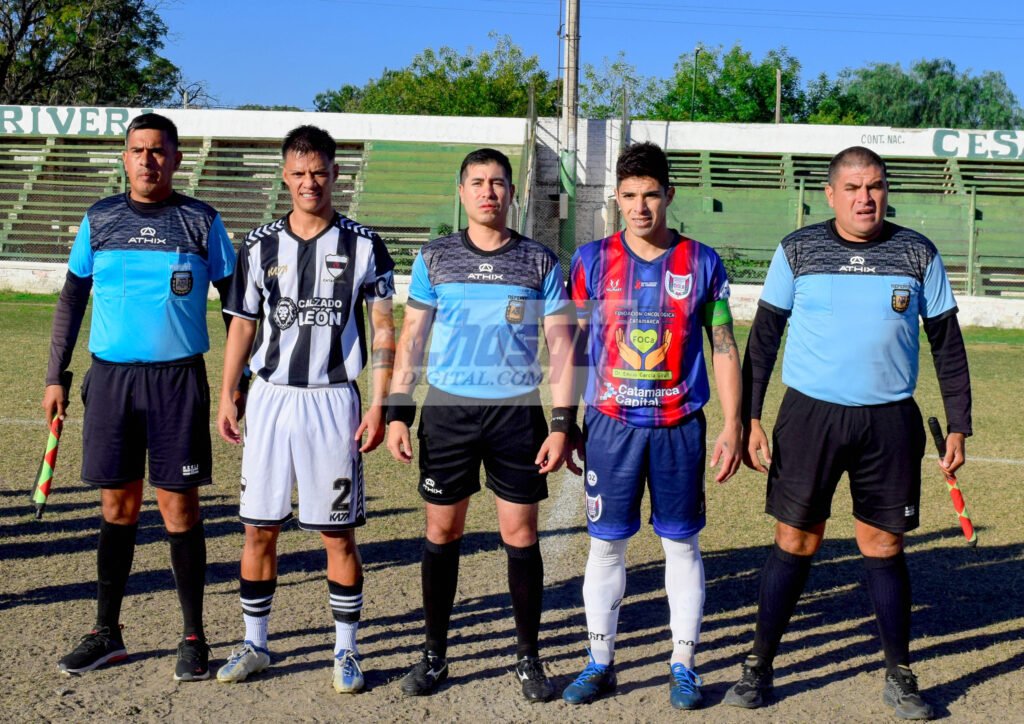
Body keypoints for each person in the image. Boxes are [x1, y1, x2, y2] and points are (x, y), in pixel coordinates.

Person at [724, 146, 972, 720]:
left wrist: (959, 422)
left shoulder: (918, 252)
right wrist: (751, 418)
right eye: (854, 188)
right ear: (831, 194)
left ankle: (900, 674)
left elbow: (947, 343)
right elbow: (763, 341)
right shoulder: (797, 250)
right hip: (809, 417)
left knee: (884, 545)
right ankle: (759, 664)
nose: (866, 198)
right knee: (795, 540)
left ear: (887, 192)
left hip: (889, 421)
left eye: (876, 186)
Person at [43, 113, 237, 681]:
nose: (148, 160)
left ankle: (194, 636)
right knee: (117, 507)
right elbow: (71, 299)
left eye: (158, 150)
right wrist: (55, 375)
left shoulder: (202, 221)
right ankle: (107, 632)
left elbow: (237, 307)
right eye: (137, 150)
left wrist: (237, 381)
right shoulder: (99, 218)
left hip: (177, 382)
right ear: (125, 157)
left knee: (180, 507)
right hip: (111, 382)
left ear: (176, 158)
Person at [385, 148, 574, 702]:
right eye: (477, 182)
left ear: (512, 193)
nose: (488, 191)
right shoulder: (435, 257)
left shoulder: (540, 260)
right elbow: (412, 338)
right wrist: (398, 411)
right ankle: (434, 654)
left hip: (517, 412)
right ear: (462, 191)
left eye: (497, 183)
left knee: (521, 535)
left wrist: (562, 424)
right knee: (442, 533)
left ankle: (528, 657)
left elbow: (563, 345)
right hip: (448, 412)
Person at [214, 125, 395, 695]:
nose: (309, 183)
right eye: (298, 173)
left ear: (336, 173)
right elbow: (243, 324)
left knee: (336, 535)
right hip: (270, 399)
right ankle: (255, 643)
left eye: (318, 172)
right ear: (284, 176)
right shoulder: (258, 244)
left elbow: (384, 329)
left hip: (332, 400)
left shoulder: (364, 245)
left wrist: (381, 405)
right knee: (258, 528)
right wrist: (228, 391)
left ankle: (346, 650)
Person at [561, 141, 742, 710]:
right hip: (611, 425)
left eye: (651, 195)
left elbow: (723, 345)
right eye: (629, 196)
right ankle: (600, 661)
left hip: (678, 426)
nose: (640, 207)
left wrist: (734, 423)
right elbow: (572, 349)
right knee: (606, 547)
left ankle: (683, 665)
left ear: (669, 194)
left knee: (681, 545)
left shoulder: (702, 263)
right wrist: (563, 423)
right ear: (616, 198)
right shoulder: (589, 261)